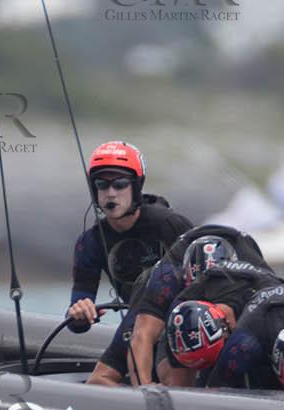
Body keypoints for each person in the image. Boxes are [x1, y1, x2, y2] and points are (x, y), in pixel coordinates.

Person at [66, 141, 193, 386]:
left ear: (136, 188)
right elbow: (76, 318)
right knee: (98, 383)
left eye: (120, 184)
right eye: (102, 185)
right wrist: (79, 315)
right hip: (136, 323)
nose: (111, 193)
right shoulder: (90, 242)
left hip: (179, 321)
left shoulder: (169, 223)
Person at [125, 223, 269, 386]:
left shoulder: (255, 279)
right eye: (201, 292)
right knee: (175, 373)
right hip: (183, 303)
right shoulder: (168, 280)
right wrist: (143, 388)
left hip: (240, 299)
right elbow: (143, 334)